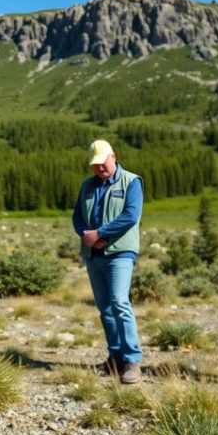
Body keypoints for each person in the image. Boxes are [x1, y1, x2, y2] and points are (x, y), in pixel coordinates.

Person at [72, 139, 144, 384]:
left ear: (113, 156)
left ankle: (132, 360)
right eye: (95, 164)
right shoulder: (87, 186)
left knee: (119, 302)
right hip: (94, 254)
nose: (100, 168)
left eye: (103, 162)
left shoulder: (132, 182)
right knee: (105, 308)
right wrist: (86, 235)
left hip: (120, 252)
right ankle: (115, 357)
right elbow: (77, 217)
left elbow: (130, 215)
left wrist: (100, 233)